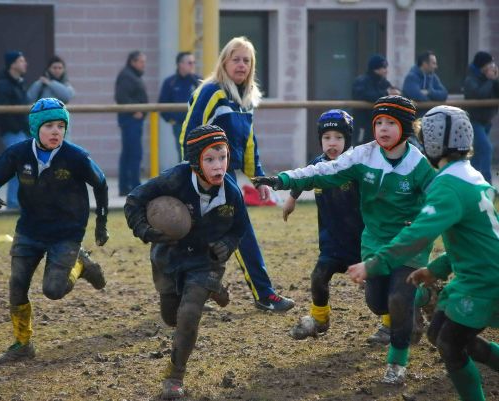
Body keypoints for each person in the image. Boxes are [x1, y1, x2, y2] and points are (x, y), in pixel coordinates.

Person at [252, 95, 436, 384]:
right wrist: (284, 180)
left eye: (391, 123)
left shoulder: (418, 164)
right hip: (374, 243)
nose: (383, 129)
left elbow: (437, 199)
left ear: (405, 127)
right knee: (378, 304)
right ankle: (426, 295)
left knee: (399, 299)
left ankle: (397, 365)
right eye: (379, 123)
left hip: (408, 244)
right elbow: (323, 170)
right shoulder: (364, 155)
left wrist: (426, 221)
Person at [347, 105, 499, 400]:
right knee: (438, 333)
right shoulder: (471, 175)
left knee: (451, 343)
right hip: (479, 271)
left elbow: (417, 234)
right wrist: (437, 269)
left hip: (484, 280)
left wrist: (375, 263)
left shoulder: (448, 185)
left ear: (432, 143)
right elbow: (475, 241)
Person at [0, 98, 109, 363]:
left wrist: (101, 223)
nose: (56, 132)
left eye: (61, 126)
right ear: (35, 128)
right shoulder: (18, 153)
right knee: (17, 287)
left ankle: (81, 265)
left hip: (66, 233)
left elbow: (101, 184)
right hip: (30, 229)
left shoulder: (76, 157)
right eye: (49, 125)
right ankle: (22, 344)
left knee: (53, 290)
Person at [124, 124, 247, 399]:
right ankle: (213, 290)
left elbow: (240, 229)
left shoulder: (231, 192)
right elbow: (133, 201)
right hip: (169, 258)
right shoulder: (174, 179)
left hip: (206, 262)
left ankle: (174, 376)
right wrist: (144, 229)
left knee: (189, 314)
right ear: (195, 162)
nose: (219, 166)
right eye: (210, 159)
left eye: (223, 157)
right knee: (171, 317)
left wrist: (226, 245)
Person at [179, 36, 294, 312]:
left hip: (225, 172)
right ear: (225, 62)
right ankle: (264, 294)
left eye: (246, 60)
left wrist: (260, 178)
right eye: (236, 59)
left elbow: (249, 142)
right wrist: (197, 174)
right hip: (208, 173)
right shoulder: (212, 92)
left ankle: (189, 293)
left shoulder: (245, 99)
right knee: (240, 229)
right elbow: (189, 132)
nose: (241, 64)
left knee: (204, 235)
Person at [283, 110, 364, 339]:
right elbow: (303, 178)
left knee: (377, 289)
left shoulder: (356, 166)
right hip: (331, 243)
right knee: (318, 278)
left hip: (362, 242)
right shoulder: (318, 164)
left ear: (347, 140)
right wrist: (291, 199)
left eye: (338, 137)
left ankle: (390, 323)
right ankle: (320, 319)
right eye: (327, 137)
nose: (332, 143)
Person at [0, 50, 30, 210]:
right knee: (18, 165)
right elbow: (4, 112)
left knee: (22, 165)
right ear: (12, 64)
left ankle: (17, 201)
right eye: (21, 60)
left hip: (22, 132)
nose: (25, 63)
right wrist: (17, 127)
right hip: (12, 132)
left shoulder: (19, 83)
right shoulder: (2, 86)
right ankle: (13, 202)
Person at [114, 50, 148, 196]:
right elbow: (121, 96)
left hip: (133, 121)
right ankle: (131, 185)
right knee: (133, 153)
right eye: (141, 62)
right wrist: (134, 110)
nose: (143, 65)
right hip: (130, 120)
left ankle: (128, 185)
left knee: (131, 153)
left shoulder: (132, 75)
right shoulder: (127, 76)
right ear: (133, 62)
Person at [463, 51, 499, 184]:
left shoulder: (489, 78)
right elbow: (479, 95)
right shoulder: (471, 79)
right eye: (489, 63)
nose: (492, 66)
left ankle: (471, 182)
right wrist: (490, 80)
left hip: (486, 122)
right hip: (474, 120)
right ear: (482, 65)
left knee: (477, 155)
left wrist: (495, 80)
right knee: (486, 148)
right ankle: (486, 182)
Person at [158, 52, 200, 161]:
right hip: (179, 125)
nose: (192, 65)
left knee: (198, 154)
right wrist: (171, 119)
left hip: (197, 125)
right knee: (182, 153)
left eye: (193, 62)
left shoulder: (199, 81)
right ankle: (184, 177)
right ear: (180, 64)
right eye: (189, 63)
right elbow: (162, 103)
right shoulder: (170, 82)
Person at [352, 54, 401, 145]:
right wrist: (386, 94)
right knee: (360, 149)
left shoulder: (383, 81)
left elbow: (392, 89)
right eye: (384, 67)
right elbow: (364, 95)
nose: (386, 71)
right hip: (363, 123)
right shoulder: (361, 81)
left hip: (378, 123)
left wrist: (396, 92)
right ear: (376, 68)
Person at [402, 50, 448, 115]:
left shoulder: (433, 77)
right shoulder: (411, 77)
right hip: (414, 119)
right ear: (425, 64)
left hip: (430, 117)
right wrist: (435, 98)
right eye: (433, 63)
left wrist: (429, 92)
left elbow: (444, 94)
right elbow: (419, 97)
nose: (436, 66)